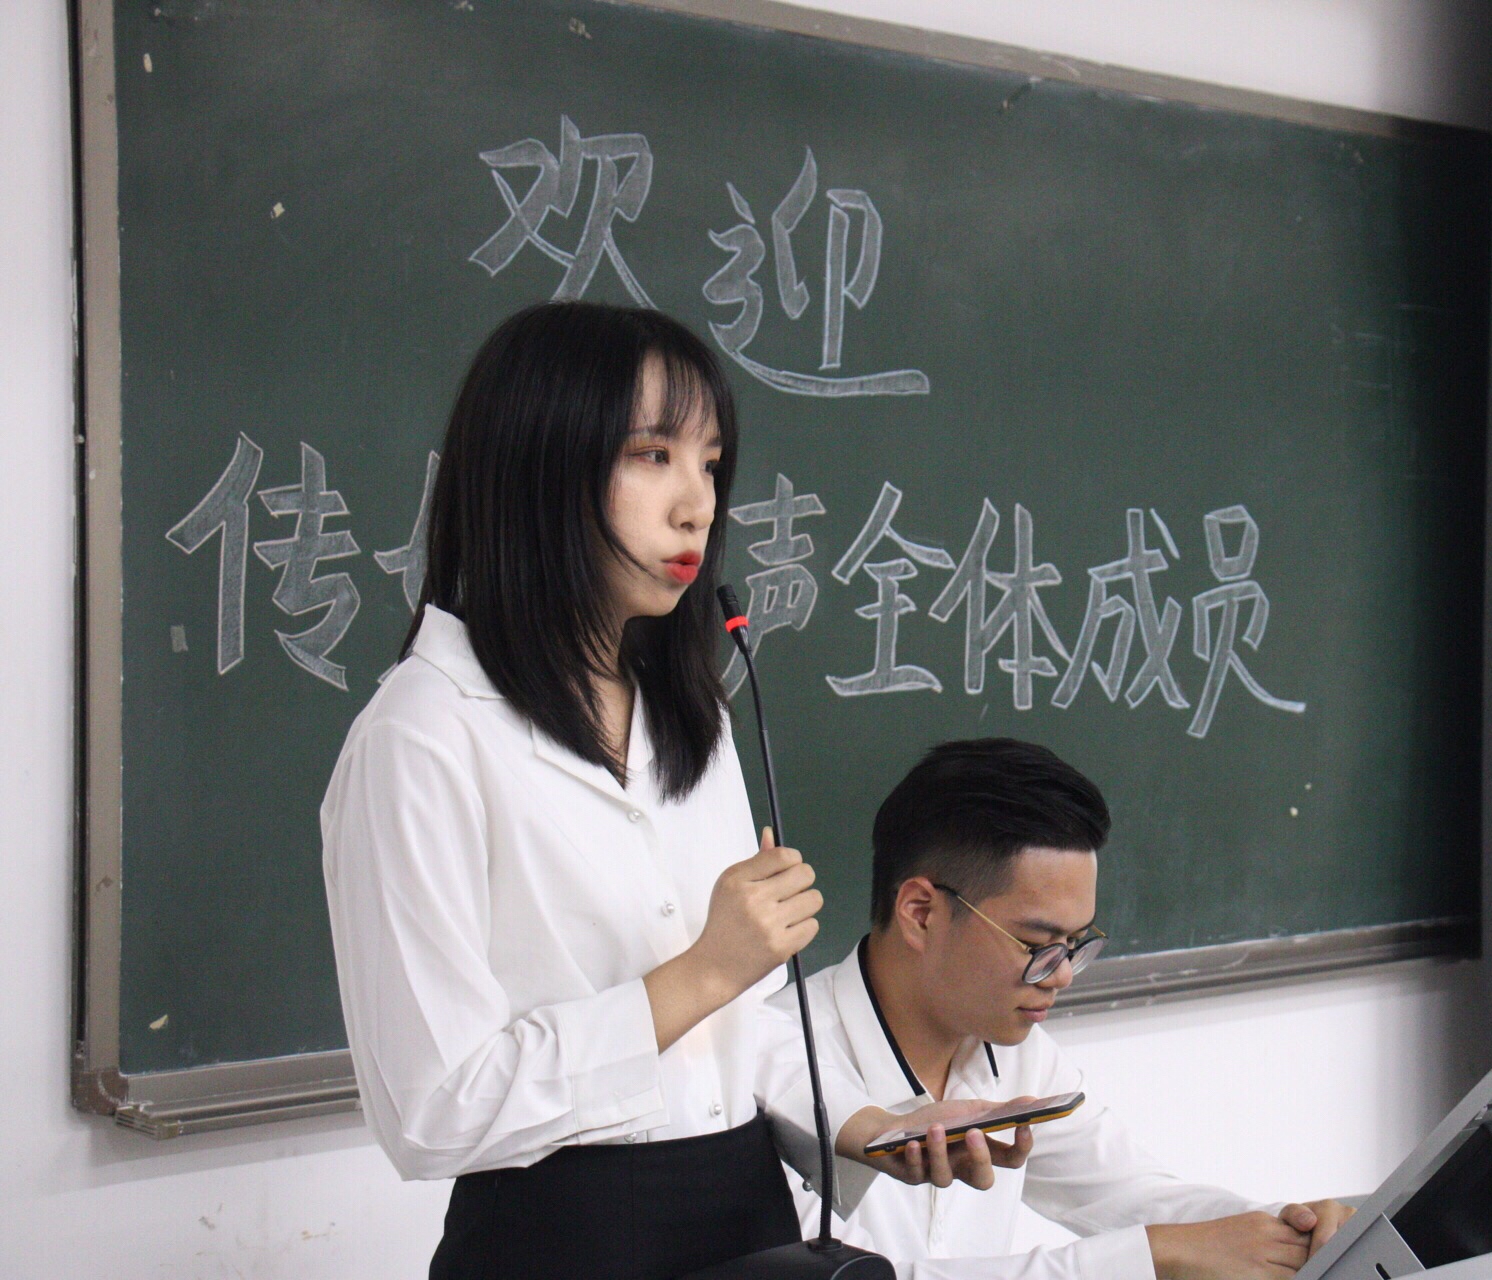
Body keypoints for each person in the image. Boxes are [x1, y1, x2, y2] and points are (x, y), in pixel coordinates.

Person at [321, 303, 1023, 1280]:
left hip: (746, 1214)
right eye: (652, 455)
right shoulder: (424, 733)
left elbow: (745, 1032)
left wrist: (870, 1126)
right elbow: (431, 1110)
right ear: (538, 465)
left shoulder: (691, 716)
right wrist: (698, 972)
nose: (697, 504)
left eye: (711, 463)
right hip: (555, 1243)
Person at [760, 738, 1357, 1279]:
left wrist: (1292, 1228)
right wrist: (1154, 1256)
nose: (1063, 974)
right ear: (921, 912)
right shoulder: (767, 1070)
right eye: (1037, 944)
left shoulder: (1020, 1055)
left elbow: (1132, 1193)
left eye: (1075, 944)